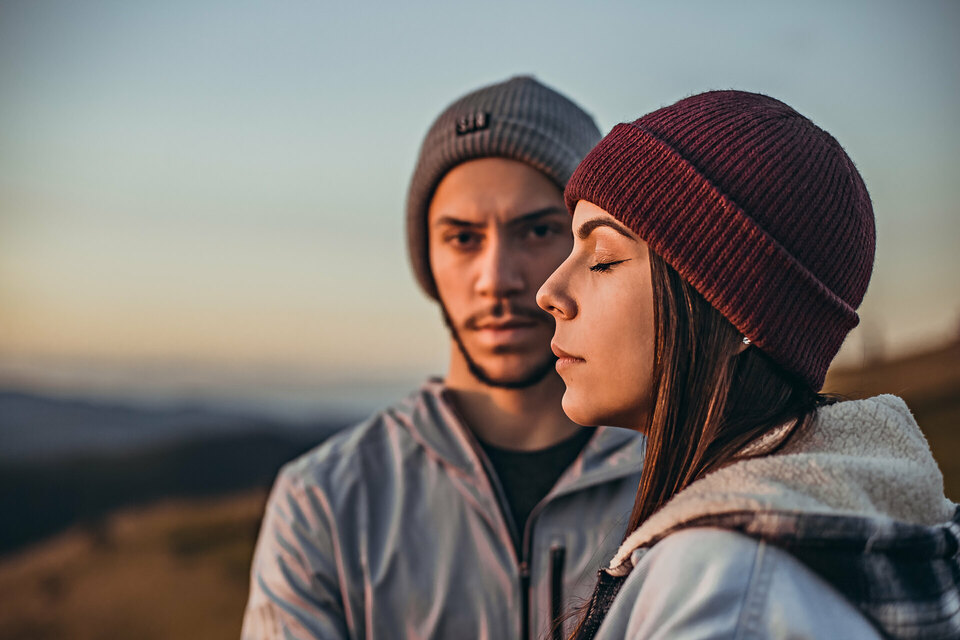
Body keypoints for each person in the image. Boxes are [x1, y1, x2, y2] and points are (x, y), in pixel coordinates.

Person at [536, 90, 960, 639]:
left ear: (740, 313)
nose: (550, 291)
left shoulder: (724, 588)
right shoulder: (887, 535)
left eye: (604, 259)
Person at [241, 76, 646, 640]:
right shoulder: (325, 504)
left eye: (538, 230)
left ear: (593, 246)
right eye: (462, 238)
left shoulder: (682, 476)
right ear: (425, 259)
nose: (497, 279)